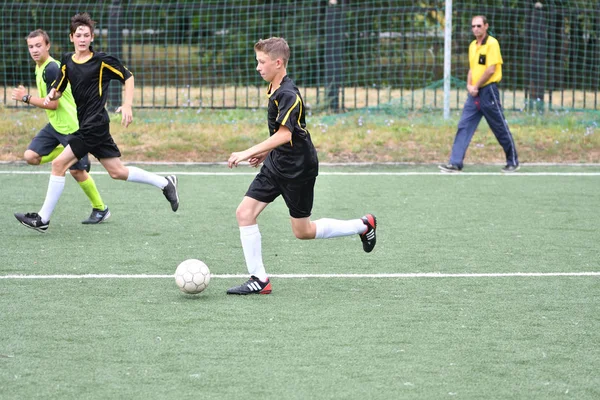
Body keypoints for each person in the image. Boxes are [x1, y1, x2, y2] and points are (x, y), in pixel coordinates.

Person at [226, 37, 377, 295]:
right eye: (257, 61)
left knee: (303, 231)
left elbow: (286, 134)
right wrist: (266, 153)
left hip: (299, 168)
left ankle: (363, 225)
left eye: (262, 62)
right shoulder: (275, 87)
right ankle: (259, 279)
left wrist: (247, 152)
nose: (257, 67)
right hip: (277, 162)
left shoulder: (288, 94)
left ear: (278, 62)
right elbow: (283, 134)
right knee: (244, 213)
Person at [14, 13, 179, 233]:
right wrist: (51, 95)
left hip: (95, 125)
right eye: (78, 35)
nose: (82, 39)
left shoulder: (102, 61)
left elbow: (127, 76)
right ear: (72, 37)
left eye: (87, 35)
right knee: (117, 172)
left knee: (58, 165)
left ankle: (43, 219)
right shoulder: (67, 61)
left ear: (91, 38)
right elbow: (59, 87)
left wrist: (127, 105)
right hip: (88, 126)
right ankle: (165, 183)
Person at [11, 29, 110, 225]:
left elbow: (53, 103)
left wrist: (26, 98)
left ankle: (101, 209)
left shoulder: (52, 69)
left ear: (48, 46)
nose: (35, 50)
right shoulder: (39, 67)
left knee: (77, 172)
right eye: (31, 47)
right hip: (55, 126)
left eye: (39, 45)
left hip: (72, 127)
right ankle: (66, 156)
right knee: (31, 156)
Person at [439, 15, 519, 173]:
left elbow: (491, 70)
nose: (476, 29)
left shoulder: (492, 43)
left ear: (486, 26)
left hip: (488, 92)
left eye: (479, 26)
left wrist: (476, 85)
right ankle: (455, 163)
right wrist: (470, 85)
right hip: (474, 93)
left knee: (499, 127)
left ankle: (513, 161)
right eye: (473, 26)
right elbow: (472, 69)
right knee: (464, 125)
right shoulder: (472, 45)